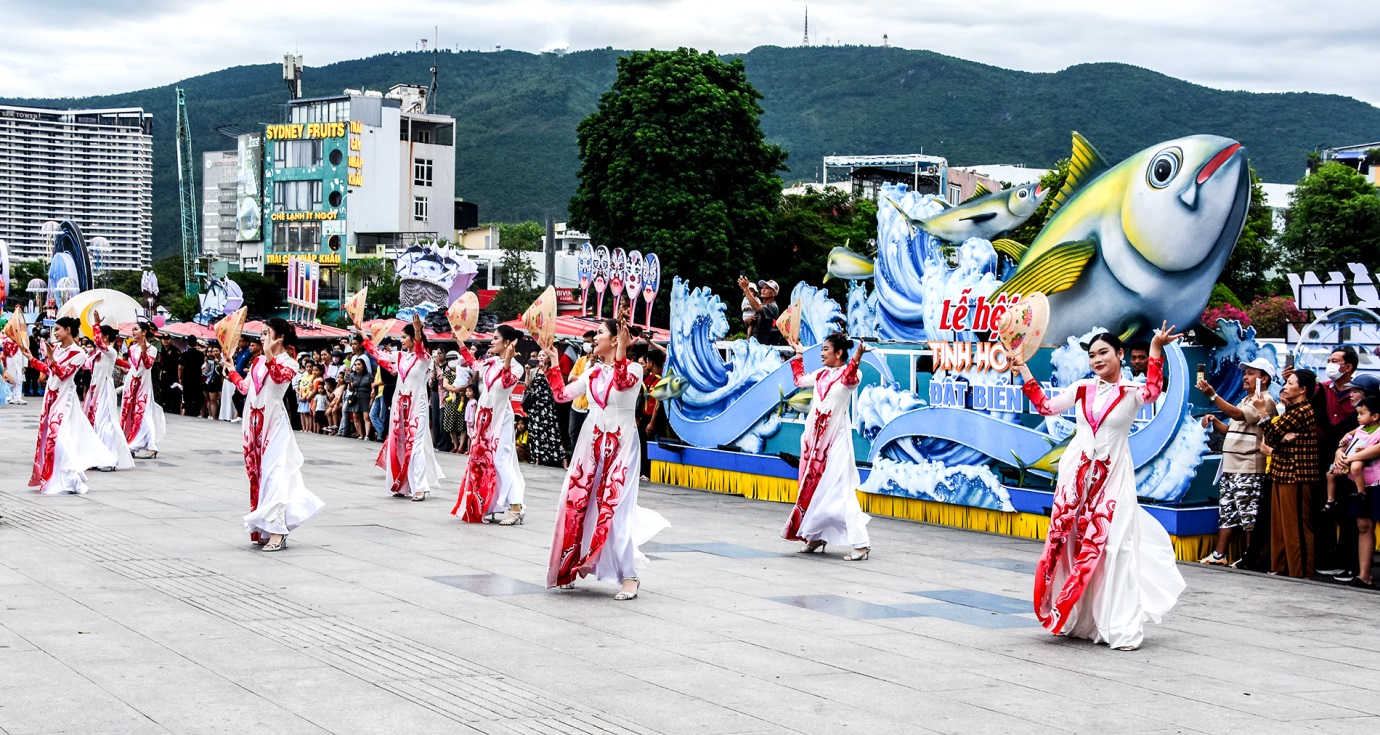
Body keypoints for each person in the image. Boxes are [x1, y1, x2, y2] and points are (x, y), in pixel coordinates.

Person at [1012, 324, 1186, 651]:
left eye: (1103, 352)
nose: (1096, 359)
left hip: (1114, 478)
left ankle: (1118, 625)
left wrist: (1156, 349)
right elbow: (1046, 407)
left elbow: (1153, 390)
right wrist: (1022, 370)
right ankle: (1078, 619)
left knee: (1115, 547)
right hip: (1076, 479)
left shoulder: (1133, 392)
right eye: (1091, 355)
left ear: (1120, 355)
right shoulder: (1080, 389)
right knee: (1072, 545)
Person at [542, 318, 670, 600]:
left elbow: (623, 383)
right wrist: (553, 362)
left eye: (599, 333)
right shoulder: (592, 372)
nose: (593, 337)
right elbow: (562, 395)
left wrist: (624, 351)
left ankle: (630, 577)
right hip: (591, 444)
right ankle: (569, 566)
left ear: (615, 340)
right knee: (575, 501)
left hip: (621, 444)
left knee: (615, 507)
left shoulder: (634, 369)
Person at [222, 318, 324, 551]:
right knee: (258, 476)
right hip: (253, 424)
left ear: (279, 338)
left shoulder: (291, 363)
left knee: (274, 476)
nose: (262, 337)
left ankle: (278, 531)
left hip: (275, 426)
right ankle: (266, 528)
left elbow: (279, 378)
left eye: (266, 333)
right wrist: (230, 369)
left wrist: (269, 356)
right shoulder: (257, 361)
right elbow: (246, 388)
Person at [781, 331, 873, 560]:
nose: (822, 353)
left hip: (836, 442)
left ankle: (861, 544)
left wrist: (859, 355)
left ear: (839, 353)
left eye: (825, 349)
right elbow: (799, 380)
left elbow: (850, 377)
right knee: (814, 488)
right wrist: (799, 355)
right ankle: (816, 536)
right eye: (822, 349)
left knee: (841, 490)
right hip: (813, 444)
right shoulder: (822, 374)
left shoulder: (852, 373)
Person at [1197, 358, 1278, 567]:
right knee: (1227, 511)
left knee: (1249, 514)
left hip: (1249, 466)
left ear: (1265, 379)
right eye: (1246, 373)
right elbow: (1231, 428)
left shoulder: (1265, 400)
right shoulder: (1246, 399)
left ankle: (1251, 558)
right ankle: (1219, 555)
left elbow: (1238, 415)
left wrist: (1213, 396)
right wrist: (1215, 422)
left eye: (1251, 373)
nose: (1245, 377)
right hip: (1231, 465)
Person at [23, 317, 116, 494]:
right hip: (51, 397)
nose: (55, 333)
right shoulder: (57, 348)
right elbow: (51, 371)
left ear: (67, 330)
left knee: (60, 440)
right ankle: (53, 478)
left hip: (64, 399)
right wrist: (32, 359)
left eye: (57, 329)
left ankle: (69, 479)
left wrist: (51, 358)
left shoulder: (79, 353)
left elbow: (64, 374)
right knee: (50, 437)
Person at [356, 313, 443, 500]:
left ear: (413, 338)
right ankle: (402, 485)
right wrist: (362, 335)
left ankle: (420, 487)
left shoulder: (424, 359)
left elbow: (420, 348)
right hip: (399, 407)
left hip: (417, 407)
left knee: (416, 446)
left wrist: (418, 329)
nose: (400, 340)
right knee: (399, 444)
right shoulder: (400, 357)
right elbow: (378, 354)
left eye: (404, 337)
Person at [451, 324, 526, 524]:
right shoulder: (491, 361)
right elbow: (473, 363)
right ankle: (485, 503)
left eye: (495, 338)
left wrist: (508, 360)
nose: (491, 342)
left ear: (507, 342)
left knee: (502, 461)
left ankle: (516, 507)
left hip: (501, 418)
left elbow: (506, 383)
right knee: (482, 460)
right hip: (484, 418)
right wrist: (459, 342)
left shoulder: (517, 367)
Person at [1258, 370, 1322, 579]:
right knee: (1280, 524)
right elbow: (1275, 437)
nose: (1285, 386)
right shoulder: (1291, 410)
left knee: (1296, 525)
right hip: (1281, 471)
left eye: (1290, 383)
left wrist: (1263, 415)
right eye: (1285, 382)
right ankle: (1283, 566)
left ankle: (1301, 571)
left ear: (1302, 390)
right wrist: (1281, 438)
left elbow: (1271, 435)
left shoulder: (1303, 410)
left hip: (1297, 475)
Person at [1315, 347, 1361, 578]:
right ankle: (1324, 557)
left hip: (1352, 461)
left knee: (1348, 512)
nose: (1330, 365)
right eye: (1330, 360)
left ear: (1348, 367)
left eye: (1335, 361)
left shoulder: (1360, 393)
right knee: (1323, 508)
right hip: (1322, 457)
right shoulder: (1321, 390)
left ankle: (1347, 561)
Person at [1336, 393, 1380, 588]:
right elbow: (1344, 442)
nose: (1359, 416)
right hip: (1360, 484)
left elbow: (1377, 450)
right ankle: (1364, 575)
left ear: (1376, 415)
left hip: (1378, 482)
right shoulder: (1361, 429)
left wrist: (1347, 458)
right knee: (1363, 526)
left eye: (1363, 413)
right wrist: (1339, 454)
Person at [82, 318, 136, 472]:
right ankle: (96, 457)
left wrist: (96, 325)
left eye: (98, 334)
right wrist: (126, 365)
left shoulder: (109, 350)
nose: (95, 338)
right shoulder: (99, 352)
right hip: (95, 389)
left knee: (105, 424)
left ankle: (109, 458)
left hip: (105, 388)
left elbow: (102, 347)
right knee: (93, 423)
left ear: (105, 337)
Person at [122, 320, 167, 459]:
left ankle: (146, 445)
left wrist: (143, 351)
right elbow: (132, 366)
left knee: (143, 413)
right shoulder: (131, 348)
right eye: (133, 329)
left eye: (136, 329)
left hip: (143, 384)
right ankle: (131, 442)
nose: (133, 332)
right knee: (129, 413)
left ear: (144, 332)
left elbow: (147, 365)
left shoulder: (152, 349)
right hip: (131, 382)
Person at [566, 331, 597, 455]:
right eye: (584, 342)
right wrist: (583, 378)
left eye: (588, 342)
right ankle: (575, 459)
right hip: (577, 403)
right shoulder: (581, 360)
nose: (586, 345)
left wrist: (580, 378)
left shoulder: (600, 362)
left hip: (590, 405)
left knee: (589, 435)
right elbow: (570, 377)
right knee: (573, 432)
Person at [737, 277, 781, 345]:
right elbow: (752, 325)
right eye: (763, 287)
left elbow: (758, 308)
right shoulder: (761, 305)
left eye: (767, 288)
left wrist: (746, 289)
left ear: (774, 293)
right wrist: (748, 321)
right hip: (756, 346)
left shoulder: (773, 307)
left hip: (765, 347)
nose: (763, 290)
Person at [439, 352, 466, 453]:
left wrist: (462, 388)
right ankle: (455, 445)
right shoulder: (447, 373)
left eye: (453, 359)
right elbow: (445, 385)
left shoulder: (463, 370)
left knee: (462, 423)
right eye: (449, 360)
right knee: (450, 423)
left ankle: (461, 447)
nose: (451, 362)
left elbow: (470, 382)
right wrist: (455, 389)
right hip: (451, 401)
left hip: (462, 400)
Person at [344, 357, 372, 440]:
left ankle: (367, 435)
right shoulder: (352, 375)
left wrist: (372, 399)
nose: (357, 366)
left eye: (359, 364)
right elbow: (350, 389)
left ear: (363, 365)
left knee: (366, 417)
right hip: (356, 396)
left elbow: (373, 387)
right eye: (355, 365)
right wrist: (349, 383)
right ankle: (361, 435)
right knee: (356, 416)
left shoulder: (369, 375)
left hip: (366, 396)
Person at [179, 339, 206, 417]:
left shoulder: (184, 354)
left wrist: (180, 378)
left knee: (187, 396)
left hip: (187, 377)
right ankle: (196, 411)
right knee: (197, 395)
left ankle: (188, 410)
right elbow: (201, 365)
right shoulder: (201, 354)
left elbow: (180, 367)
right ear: (196, 343)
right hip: (197, 377)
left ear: (188, 344)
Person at [156, 333, 182, 414]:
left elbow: (177, 365)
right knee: (164, 392)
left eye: (167, 339)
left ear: (171, 340)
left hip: (172, 375)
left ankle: (173, 410)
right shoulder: (161, 350)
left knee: (173, 393)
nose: (166, 341)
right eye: (164, 339)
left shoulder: (175, 351)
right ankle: (165, 408)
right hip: (163, 375)